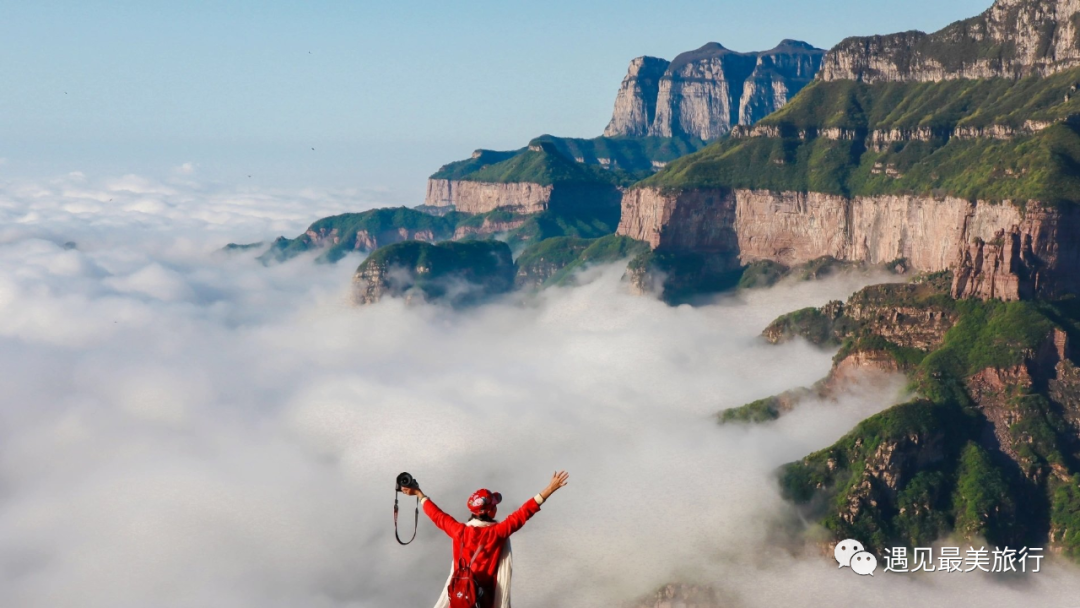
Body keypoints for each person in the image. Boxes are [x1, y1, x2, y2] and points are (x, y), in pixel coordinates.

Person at [402, 471, 569, 608]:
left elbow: (437, 515)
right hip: (483, 601)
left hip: (459, 599)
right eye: (494, 505)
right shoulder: (496, 533)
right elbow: (523, 513)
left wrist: (418, 493)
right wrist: (550, 489)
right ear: (490, 512)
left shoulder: (458, 531)